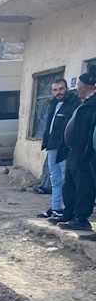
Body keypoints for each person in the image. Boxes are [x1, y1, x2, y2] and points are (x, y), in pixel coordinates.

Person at [50, 67, 96, 231]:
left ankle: (81, 218)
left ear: (85, 87)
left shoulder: (93, 104)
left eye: (79, 86)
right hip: (73, 150)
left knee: (84, 186)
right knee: (68, 183)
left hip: (84, 152)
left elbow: (89, 130)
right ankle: (68, 213)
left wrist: (85, 151)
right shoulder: (83, 102)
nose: (77, 89)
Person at [37, 79, 80, 218]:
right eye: (55, 90)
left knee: (64, 179)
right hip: (52, 147)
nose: (58, 92)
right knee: (54, 179)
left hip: (64, 147)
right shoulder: (53, 104)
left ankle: (66, 209)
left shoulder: (73, 105)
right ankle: (56, 208)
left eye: (61, 89)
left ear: (66, 89)